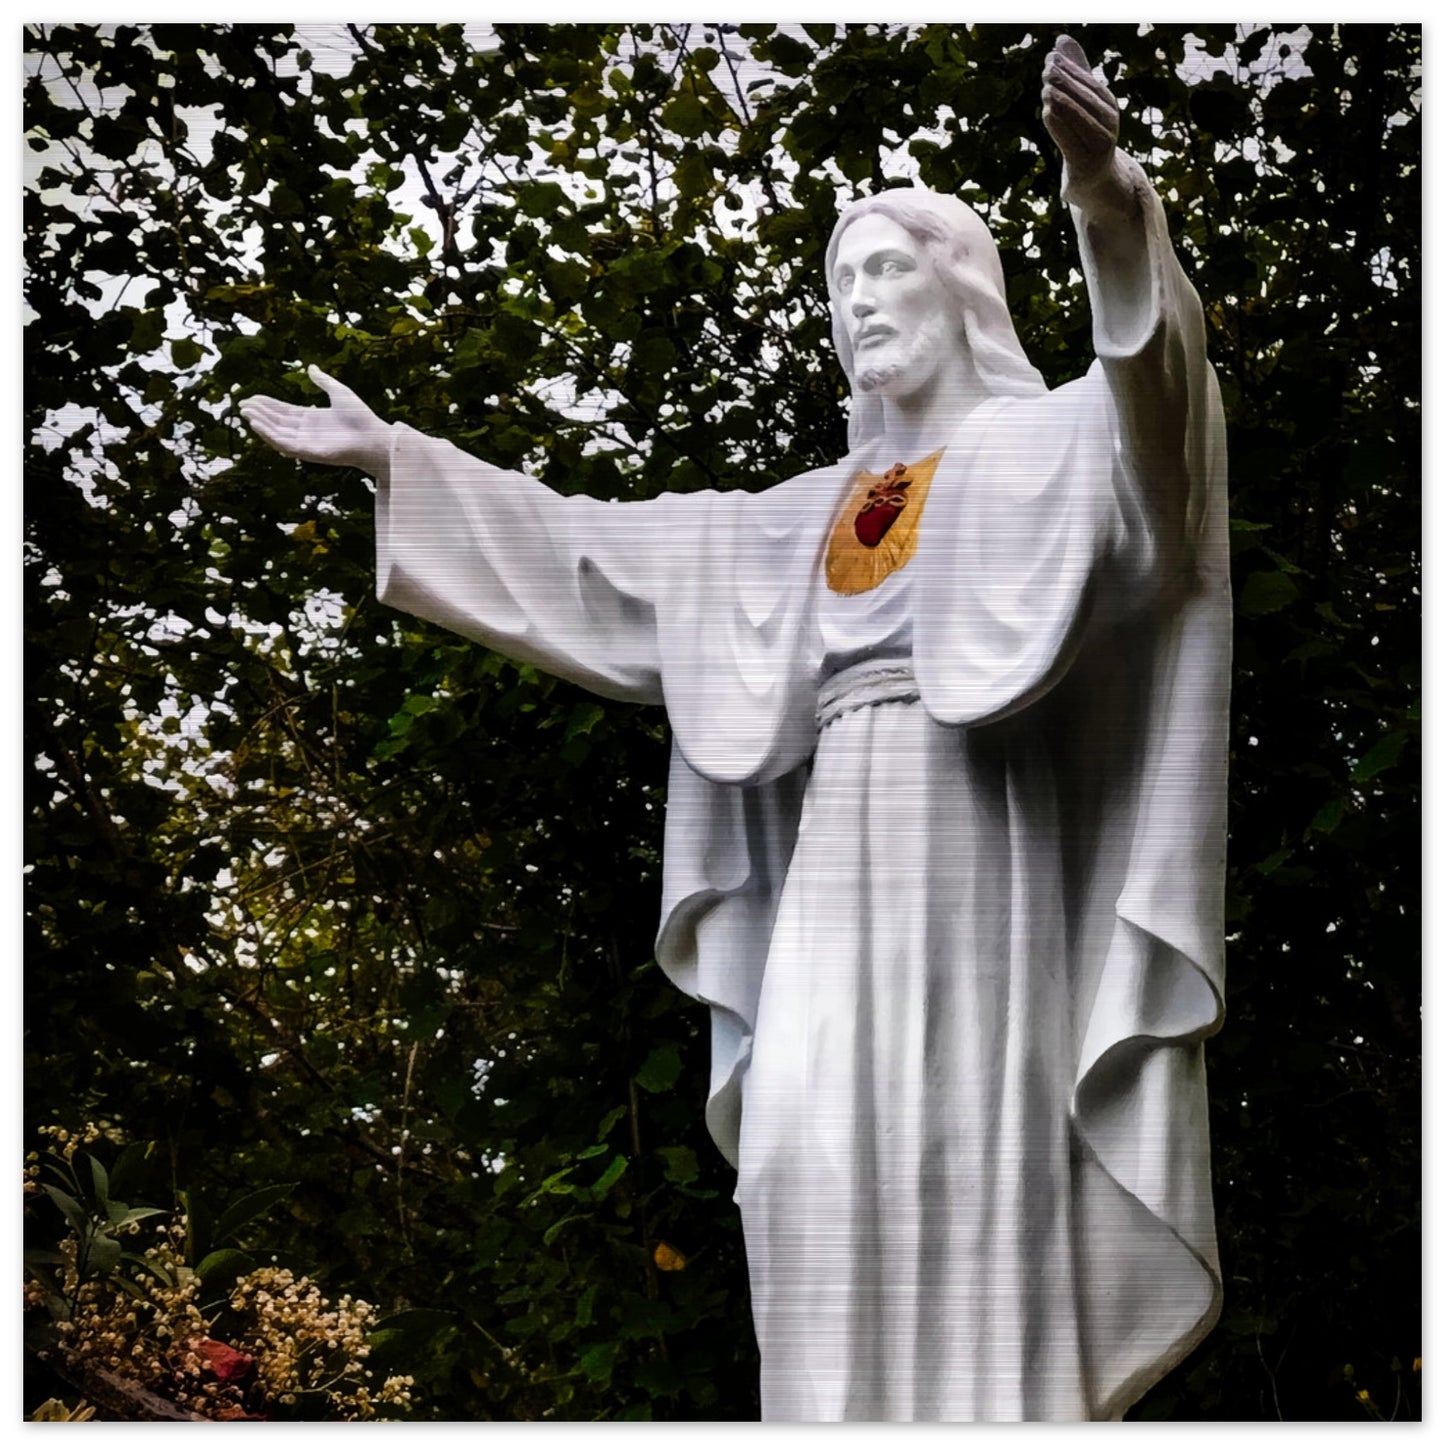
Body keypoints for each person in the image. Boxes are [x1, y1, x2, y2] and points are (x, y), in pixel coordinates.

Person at [241, 37, 1230, 1422]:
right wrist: (401, 459)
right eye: (837, 284)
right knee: (799, 1151)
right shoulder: (796, 518)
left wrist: (1109, 205)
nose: (855, 302)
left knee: (959, 1143)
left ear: (959, 291)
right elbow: (589, 558)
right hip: (837, 869)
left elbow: (1165, 438)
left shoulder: (1048, 449)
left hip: (980, 856)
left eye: (882, 268)